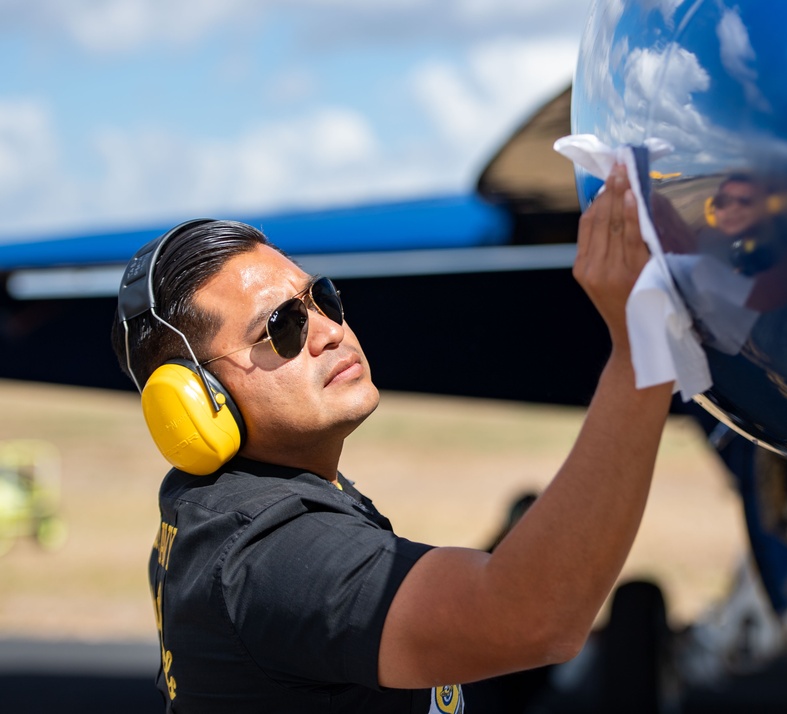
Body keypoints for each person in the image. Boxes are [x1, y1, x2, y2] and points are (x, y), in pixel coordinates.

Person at [111, 164, 674, 713]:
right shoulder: (270, 555)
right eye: (281, 327)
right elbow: (529, 618)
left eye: (321, 299)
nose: (331, 332)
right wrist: (640, 351)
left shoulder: (221, 505)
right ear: (194, 398)